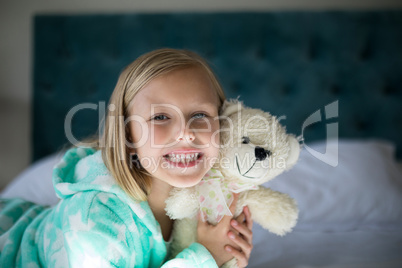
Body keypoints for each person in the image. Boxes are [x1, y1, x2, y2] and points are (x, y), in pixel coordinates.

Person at [0, 48, 253, 267]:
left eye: (200, 115)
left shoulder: (209, 196)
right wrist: (204, 257)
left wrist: (226, 255)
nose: (186, 133)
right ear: (127, 135)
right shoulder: (95, 223)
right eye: (160, 117)